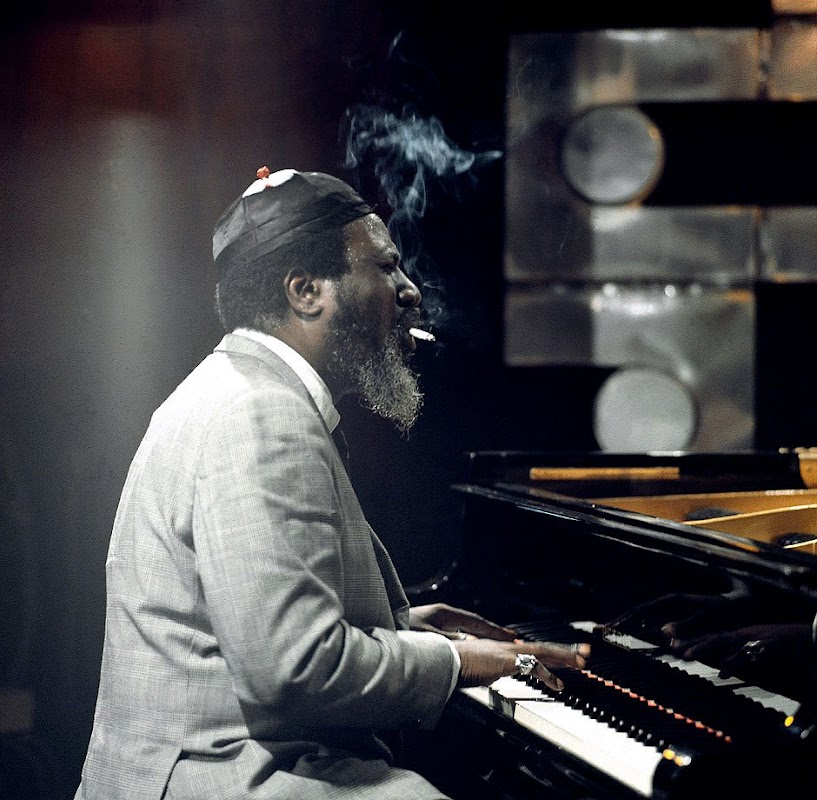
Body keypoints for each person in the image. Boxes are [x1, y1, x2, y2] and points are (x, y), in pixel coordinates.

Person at [74, 167, 590, 800]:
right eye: (387, 267)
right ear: (306, 292)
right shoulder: (260, 415)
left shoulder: (236, 391)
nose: (410, 291)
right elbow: (297, 668)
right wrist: (457, 661)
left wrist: (401, 625)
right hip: (227, 776)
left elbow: (249, 624)